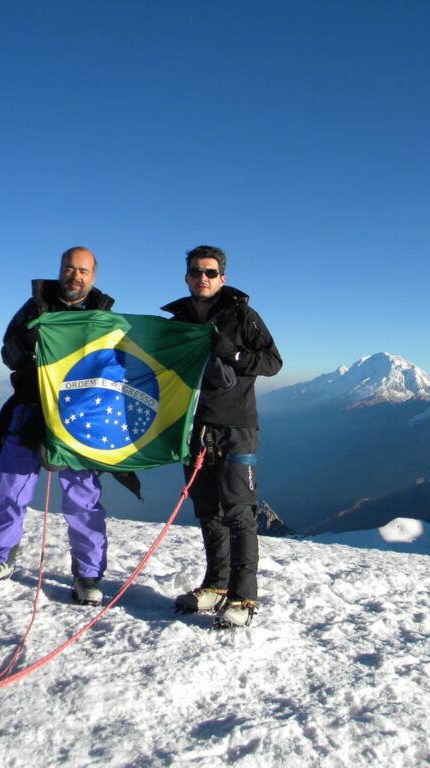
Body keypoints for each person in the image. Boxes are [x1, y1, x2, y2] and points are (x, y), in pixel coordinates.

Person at [0, 247, 113, 606]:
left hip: (79, 417)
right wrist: (23, 343)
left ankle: (88, 574)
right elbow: (8, 353)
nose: (75, 276)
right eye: (69, 268)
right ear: (60, 269)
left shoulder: (104, 317)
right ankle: (0, 558)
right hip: (31, 407)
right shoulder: (35, 307)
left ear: (92, 277)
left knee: (83, 500)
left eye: (83, 270)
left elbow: (114, 367)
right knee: (8, 486)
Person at [163, 246, 282, 628]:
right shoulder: (178, 320)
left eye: (211, 273)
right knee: (207, 512)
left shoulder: (242, 315)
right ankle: (216, 585)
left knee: (239, 514)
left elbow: (272, 363)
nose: (203, 278)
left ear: (222, 278)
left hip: (236, 429)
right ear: (186, 276)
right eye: (197, 272)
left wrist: (231, 355)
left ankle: (244, 595)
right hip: (192, 428)